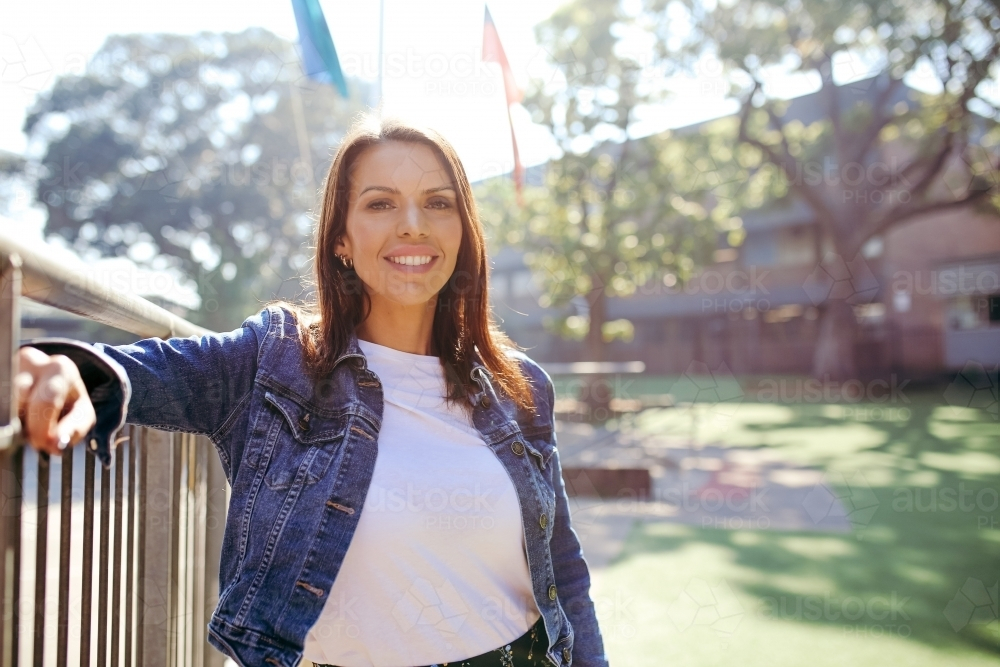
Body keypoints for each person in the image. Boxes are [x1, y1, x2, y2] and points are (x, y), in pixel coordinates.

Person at [16, 113, 608, 667]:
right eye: (380, 203)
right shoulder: (277, 361)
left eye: (438, 203)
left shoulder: (520, 385)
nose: (413, 223)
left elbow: (563, 567)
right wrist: (67, 370)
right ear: (340, 241)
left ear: (462, 232)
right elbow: (148, 373)